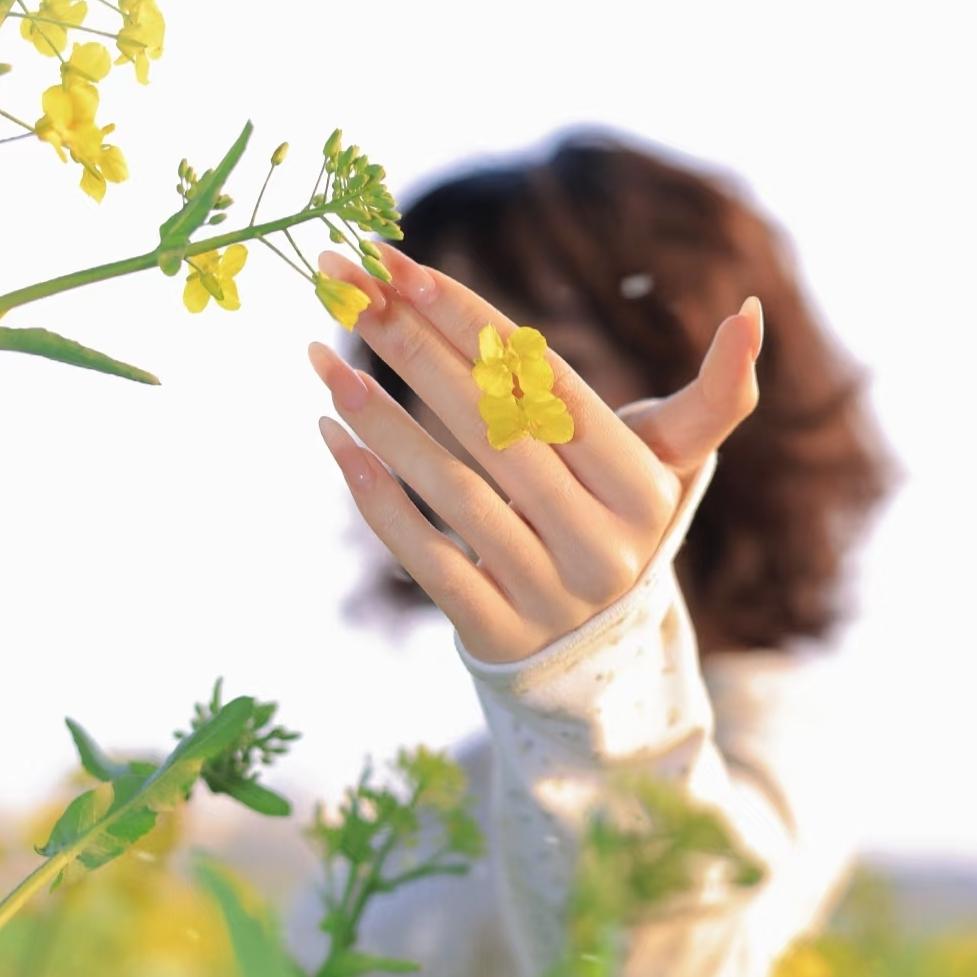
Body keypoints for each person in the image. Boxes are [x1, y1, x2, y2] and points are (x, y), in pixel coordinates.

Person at [305, 127, 896, 977]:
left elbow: (659, 952)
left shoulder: (782, 742)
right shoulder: (443, 787)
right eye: (430, 376)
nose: (474, 423)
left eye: (557, 366)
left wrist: (592, 677)